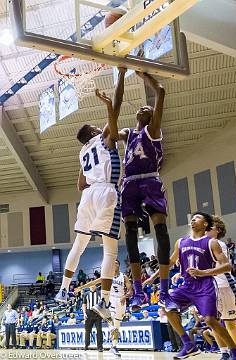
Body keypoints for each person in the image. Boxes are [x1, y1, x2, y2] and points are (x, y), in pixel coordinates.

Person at [55, 68, 127, 322]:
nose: (101, 127)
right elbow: (116, 107)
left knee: (80, 243)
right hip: (106, 191)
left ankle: (63, 289)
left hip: (87, 196)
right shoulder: (104, 139)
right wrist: (119, 77)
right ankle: (106, 301)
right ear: (95, 133)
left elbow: (80, 184)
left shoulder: (82, 154)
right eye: (98, 127)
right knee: (110, 251)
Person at [116, 70, 174, 310]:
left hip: (150, 180)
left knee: (160, 230)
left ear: (151, 116)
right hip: (129, 182)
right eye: (141, 108)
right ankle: (138, 292)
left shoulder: (153, 130)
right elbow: (110, 132)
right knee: (130, 234)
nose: (143, 108)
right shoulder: (129, 134)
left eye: (147, 109)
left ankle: (163, 290)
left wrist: (143, 74)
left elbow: (160, 92)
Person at [161, 212, 236, 360]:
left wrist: (203, 272)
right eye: (192, 217)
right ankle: (188, 344)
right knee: (167, 307)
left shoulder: (212, 242)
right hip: (188, 285)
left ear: (205, 224)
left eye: (197, 217)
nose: (193, 219)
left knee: (211, 321)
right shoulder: (181, 242)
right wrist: (150, 277)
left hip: (206, 285)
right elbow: (169, 263)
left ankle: (235, 353)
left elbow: (228, 266)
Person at [75, 259, 133, 357]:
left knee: (117, 326)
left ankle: (114, 347)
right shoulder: (107, 276)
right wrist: (81, 287)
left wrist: (125, 296)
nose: (114, 265)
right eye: (112, 263)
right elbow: (94, 282)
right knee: (113, 323)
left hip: (121, 302)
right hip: (110, 301)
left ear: (118, 265)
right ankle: (111, 328)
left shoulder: (124, 277)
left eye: (116, 263)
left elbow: (130, 291)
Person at [207, 215, 236, 360]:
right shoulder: (204, 245)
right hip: (211, 288)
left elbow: (226, 268)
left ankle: (234, 351)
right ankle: (224, 352)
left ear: (218, 230)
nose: (207, 230)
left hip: (225, 286)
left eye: (210, 227)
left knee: (230, 322)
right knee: (213, 322)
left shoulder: (219, 244)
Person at [82, 284, 103, 352]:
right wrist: (84, 313)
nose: (92, 287)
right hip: (89, 313)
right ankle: (86, 345)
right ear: (89, 286)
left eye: (94, 285)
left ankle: (100, 347)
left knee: (99, 330)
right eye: (91, 286)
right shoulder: (86, 294)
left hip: (97, 314)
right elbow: (84, 304)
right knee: (87, 330)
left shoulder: (99, 293)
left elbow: (103, 303)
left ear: (95, 286)